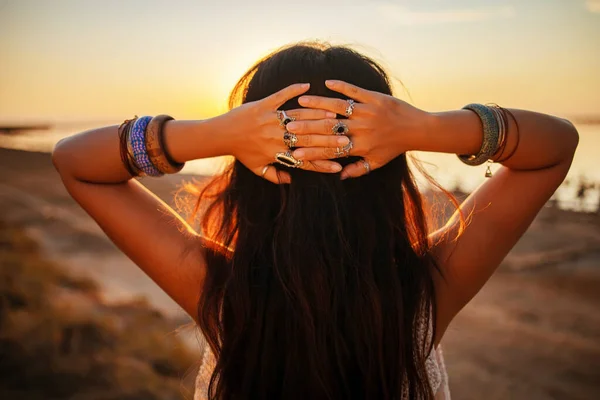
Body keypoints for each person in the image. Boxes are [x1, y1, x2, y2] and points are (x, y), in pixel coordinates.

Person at [52, 42, 579, 399]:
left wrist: (216, 134)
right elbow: (555, 146)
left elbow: (77, 162)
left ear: (247, 171)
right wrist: (429, 129)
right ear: (388, 170)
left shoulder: (222, 290)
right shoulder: (423, 292)